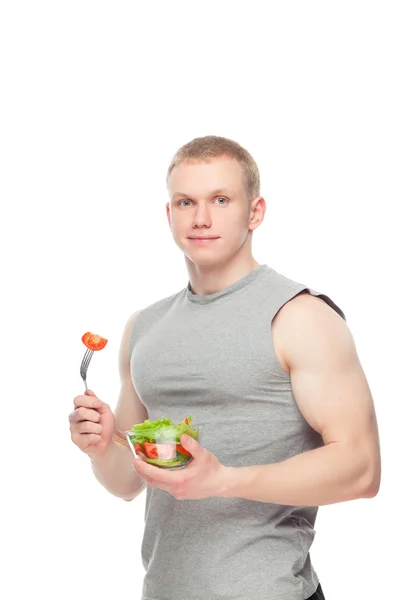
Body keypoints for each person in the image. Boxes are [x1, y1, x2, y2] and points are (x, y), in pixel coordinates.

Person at [69, 135, 381, 600]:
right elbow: (129, 482)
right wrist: (101, 446)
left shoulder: (299, 316)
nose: (201, 218)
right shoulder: (144, 327)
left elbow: (362, 470)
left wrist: (224, 479)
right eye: (185, 201)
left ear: (254, 212)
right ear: (169, 213)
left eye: (220, 199)